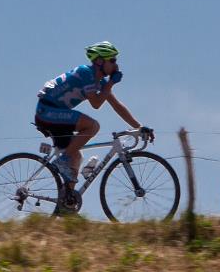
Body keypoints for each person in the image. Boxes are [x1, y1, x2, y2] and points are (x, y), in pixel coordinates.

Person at [35, 43, 150, 208]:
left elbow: (117, 106)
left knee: (76, 157)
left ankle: (67, 204)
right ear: (99, 62)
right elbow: (96, 103)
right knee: (92, 126)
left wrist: (139, 127)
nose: (116, 65)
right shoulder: (86, 73)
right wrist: (110, 84)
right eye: (112, 60)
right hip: (47, 111)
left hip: (53, 113)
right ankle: (63, 160)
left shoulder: (99, 81)